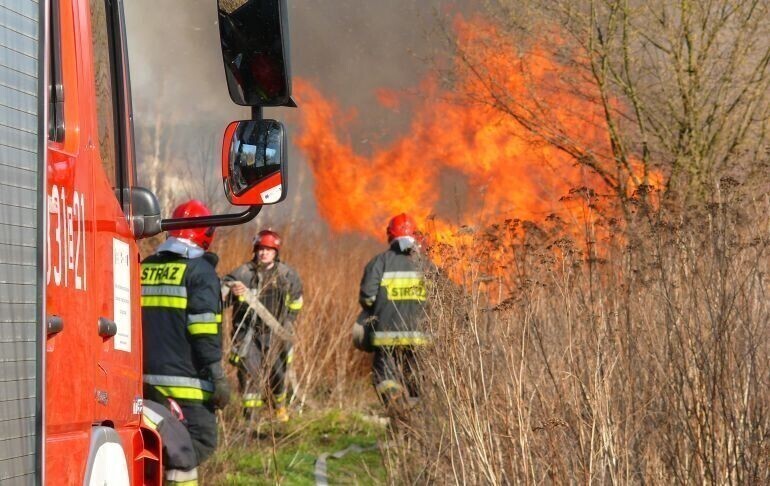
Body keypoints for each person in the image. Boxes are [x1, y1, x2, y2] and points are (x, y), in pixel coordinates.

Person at [140, 200, 230, 483]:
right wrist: (218, 375)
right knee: (191, 451)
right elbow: (204, 331)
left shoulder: (142, 267)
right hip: (188, 389)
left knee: (151, 452)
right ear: (206, 234)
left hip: (142, 385)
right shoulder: (200, 272)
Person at [223, 229, 303, 423]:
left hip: (276, 334)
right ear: (255, 250)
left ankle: (279, 407)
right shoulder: (243, 273)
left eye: (269, 249)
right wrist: (231, 290)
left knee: (278, 373)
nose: (264, 253)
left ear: (276, 252)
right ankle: (250, 418)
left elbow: (297, 301)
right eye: (260, 249)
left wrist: (288, 321)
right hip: (248, 334)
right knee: (249, 374)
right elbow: (220, 294)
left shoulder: (287, 275)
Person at [359, 213, 429, 408]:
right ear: (416, 237)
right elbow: (444, 300)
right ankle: (415, 416)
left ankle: (396, 405)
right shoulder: (427, 265)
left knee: (384, 376)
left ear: (390, 235)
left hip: (386, 335)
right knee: (416, 377)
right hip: (420, 336)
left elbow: (367, 297)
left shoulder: (380, 262)